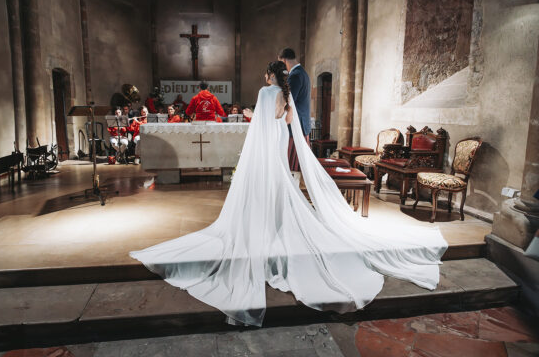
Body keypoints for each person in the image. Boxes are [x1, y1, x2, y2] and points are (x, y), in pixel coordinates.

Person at [130, 61, 447, 327]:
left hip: (264, 150)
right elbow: (288, 125)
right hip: (280, 148)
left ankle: (264, 226)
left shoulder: (266, 92)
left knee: (260, 192)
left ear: (268, 76)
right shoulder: (285, 94)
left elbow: (258, 126)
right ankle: (279, 226)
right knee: (281, 191)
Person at [278, 47, 311, 172]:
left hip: (296, 126)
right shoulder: (303, 72)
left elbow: (289, 101)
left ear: (285, 60)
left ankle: (292, 190)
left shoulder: (295, 75)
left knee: (292, 166)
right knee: (296, 165)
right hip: (302, 124)